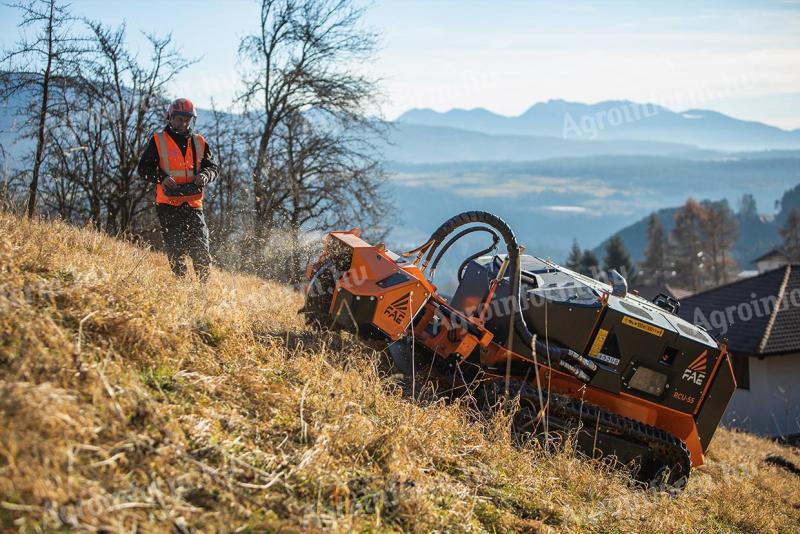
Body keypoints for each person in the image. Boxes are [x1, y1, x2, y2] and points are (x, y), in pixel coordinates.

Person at [138, 98, 219, 281]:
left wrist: (206, 175)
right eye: (179, 119)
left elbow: (213, 168)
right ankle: (182, 288)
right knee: (176, 250)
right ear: (170, 117)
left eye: (187, 120)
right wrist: (162, 178)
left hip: (193, 204)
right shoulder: (158, 141)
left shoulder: (199, 142)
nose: (183, 123)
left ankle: (203, 290)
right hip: (168, 205)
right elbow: (143, 169)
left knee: (200, 249)